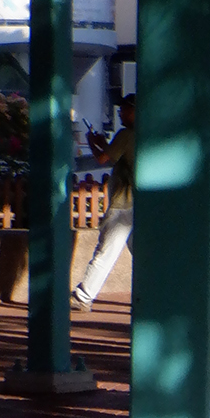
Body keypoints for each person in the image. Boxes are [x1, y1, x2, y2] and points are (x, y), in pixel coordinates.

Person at [71, 94, 136, 312]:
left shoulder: (125, 134)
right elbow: (115, 154)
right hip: (138, 203)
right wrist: (102, 143)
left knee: (105, 251)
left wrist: (92, 142)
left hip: (123, 203)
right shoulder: (140, 135)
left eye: (124, 110)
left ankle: (83, 295)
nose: (120, 114)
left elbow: (103, 159)